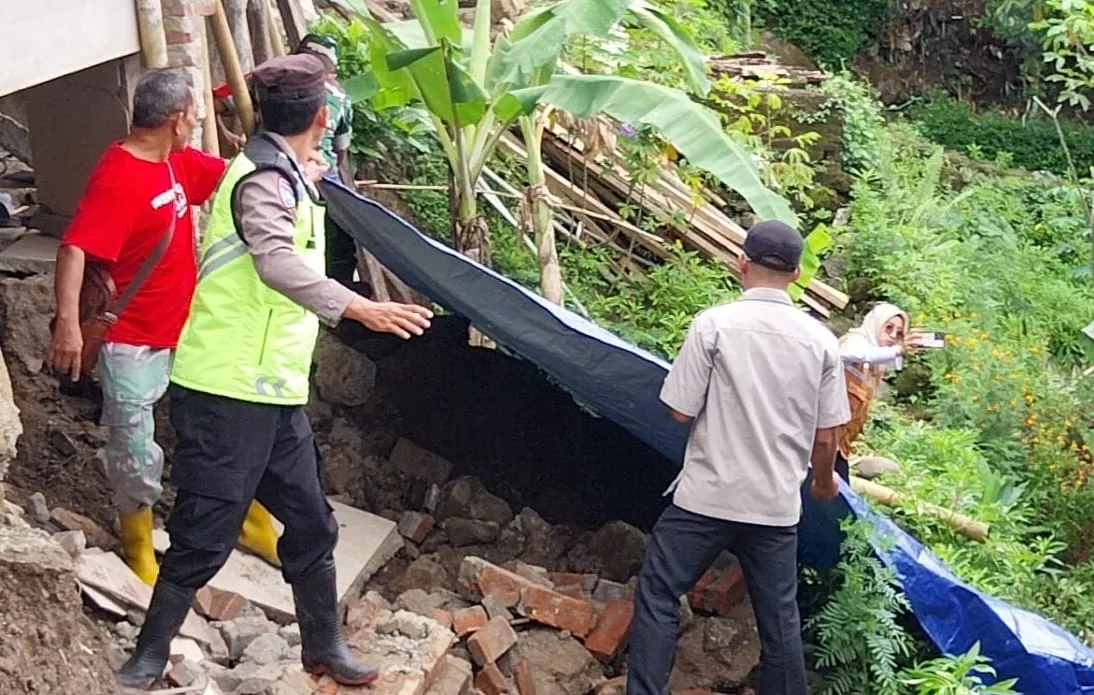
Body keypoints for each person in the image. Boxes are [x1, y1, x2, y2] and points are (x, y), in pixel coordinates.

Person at [115, 53, 433, 689]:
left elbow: (284, 213)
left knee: (313, 524)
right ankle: (148, 654)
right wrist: (360, 307)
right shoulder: (264, 179)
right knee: (205, 533)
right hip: (225, 389)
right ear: (321, 116)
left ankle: (323, 649)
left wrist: (306, 171)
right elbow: (273, 261)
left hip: (271, 390)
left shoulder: (284, 169)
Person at [44, 70, 280, 586]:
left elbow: (228, 174)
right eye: (194, 116)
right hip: (130, 339)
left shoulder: (173, 162)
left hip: (184, 332)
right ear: (175, 122)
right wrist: (68, 324)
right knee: (134, 446)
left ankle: (249, 520)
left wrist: (285, 161)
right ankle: (139, 546)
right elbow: (75, 247)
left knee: (218, 427)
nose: (196, 123)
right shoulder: (120, 176)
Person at [626, 220, 851, 695]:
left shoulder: (715, 325)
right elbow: (827, 438)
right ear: (795, 273)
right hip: (773, 508)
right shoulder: (822, 342)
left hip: (707, 498)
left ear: (741, 264)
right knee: (780, 623)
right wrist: (824, 483)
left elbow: (679, 411)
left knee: (659, 592)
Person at [212, 33, 358, 286]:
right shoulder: (341, 96)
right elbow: (341, 149)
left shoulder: (265, 82)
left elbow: (216, 101)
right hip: (323, 175)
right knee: (332, 250)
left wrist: (228, 134)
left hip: (278, 161)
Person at [835, 302, 925, 481]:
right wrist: (899, 349)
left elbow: (887, 359)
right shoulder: (854, 341)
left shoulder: (875, 365)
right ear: (875, 325)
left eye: (898, 333)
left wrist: (904, 349)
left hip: (840, 443)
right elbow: (862, 353)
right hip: (821, 438)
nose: (893, 336)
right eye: (888, 328)